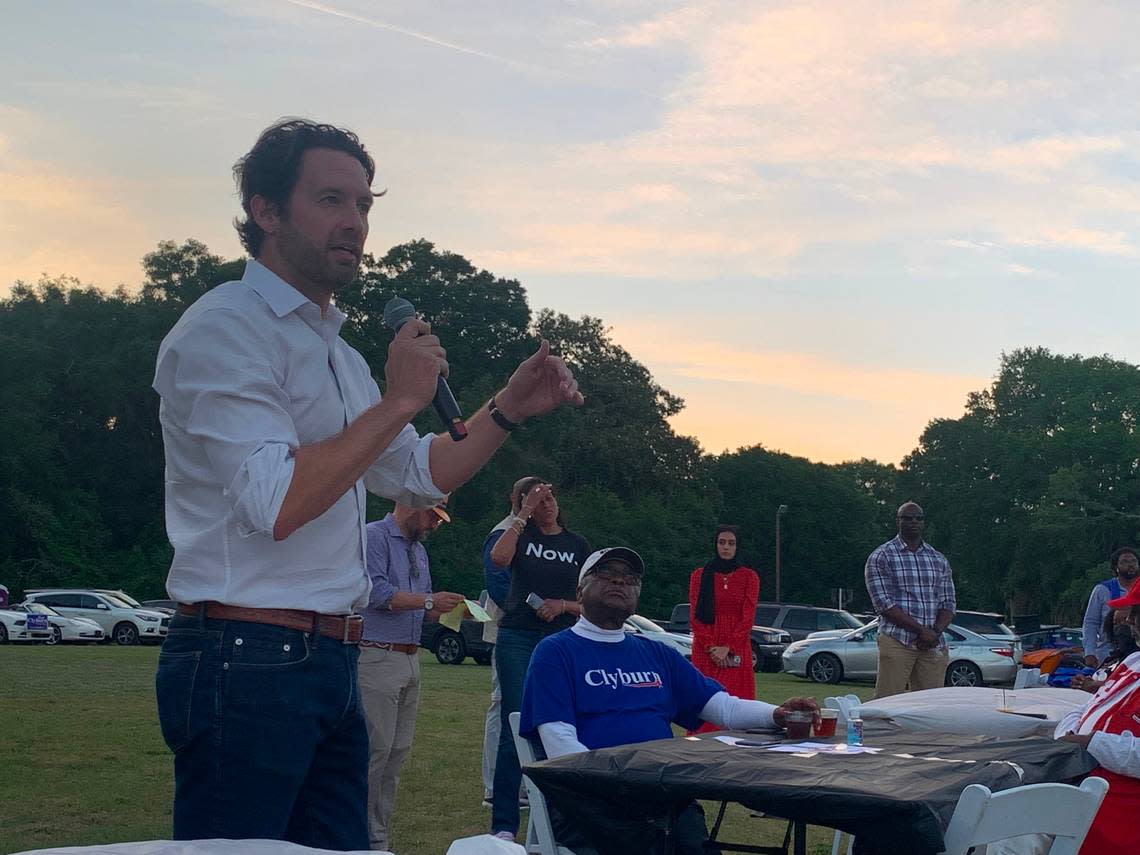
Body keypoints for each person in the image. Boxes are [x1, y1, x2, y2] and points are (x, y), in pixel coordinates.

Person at [151, 118, 582, 850]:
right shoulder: (224, 328)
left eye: (363, 205)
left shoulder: (341, 355)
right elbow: (276, 501)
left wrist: (505, 407)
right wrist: (400, 401)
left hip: (334, 657)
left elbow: (418, 473)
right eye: (329, 199)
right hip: (243, 653)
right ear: (264, 209)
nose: (354, 222)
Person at [520, 547, 821, 855]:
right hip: (594, 804)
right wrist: (619, 787)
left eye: (629, 577)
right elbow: (560, 744)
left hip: (663, 797)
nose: (620, 582)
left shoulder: (656, 653)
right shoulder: (555, 652)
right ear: (579, 591)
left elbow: (723, 706)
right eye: (606, 573)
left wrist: (778, 714)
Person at [358, 498, 464, 851]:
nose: (435, 524)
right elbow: (375, 592)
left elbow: (423, 605)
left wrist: (453, 609)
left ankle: (378, 836)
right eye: (433, 516)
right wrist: (430, 602)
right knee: (375, 750)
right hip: (376, 654)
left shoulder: (419, 552)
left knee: (397, 752)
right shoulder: (374, 536)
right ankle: (358, 834)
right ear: (411, 504)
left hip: (409, 656)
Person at [486, 477, 589, 842]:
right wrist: (523, 513)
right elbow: (499, 560)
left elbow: (589, 602)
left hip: (560, 638)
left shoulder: (576, 545)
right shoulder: (521, 536)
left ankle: (560, 819)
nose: (546, 504)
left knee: (561, 722)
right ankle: (503, 825)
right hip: (518, 636)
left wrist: (563, 605)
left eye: (549, 498)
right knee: (516, 721)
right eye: (536, 499)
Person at [1055, 583, 1140, 854]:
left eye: (1134, 613)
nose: (1128, 620)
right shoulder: (1133, 661)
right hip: (1082, 780)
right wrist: (1069, 736)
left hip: (1120, 808)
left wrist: (1092, 741)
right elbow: (1088, 707)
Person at [864, 501, 956, 698]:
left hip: (932, 643)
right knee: (887, 704)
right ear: (898, 521)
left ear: (924, 522)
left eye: (919, 518)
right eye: (908, 518)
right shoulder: (881, 557)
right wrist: (921, 631)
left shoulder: (938, 559)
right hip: (897, 639)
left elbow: (948, 603)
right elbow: (884, 604)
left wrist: (934, 632)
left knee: (929, 707)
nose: (914, 521)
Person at [480, 476, 534, 808]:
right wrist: (535, 611)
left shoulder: (537, 538)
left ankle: (523, 783)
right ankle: (494, 787)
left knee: (527, 709)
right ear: (514, 499)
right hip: (508, 632)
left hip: (533, 634)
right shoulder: (501, 534)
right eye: (530, 498)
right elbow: (499, 586)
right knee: (503, 706)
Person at [688, 525, 759, 734]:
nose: (726, 547)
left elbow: (748, 617)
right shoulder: (700, 576)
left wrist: (727, 647)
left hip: (736, 646)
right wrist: (712, 646)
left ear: (737, 546)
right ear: (715, 544)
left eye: (731, 543)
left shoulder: (749, 577)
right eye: (722, 542)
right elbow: (695, 616)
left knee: (737, 699)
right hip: (705, 647)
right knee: (705, 698)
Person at [1081, 547, 1139, 668]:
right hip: (1108, 652)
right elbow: (1091, 622)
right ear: (1115, 567)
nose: (1130, 565)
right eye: (1124, 561)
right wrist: (1089, 652)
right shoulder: (1102, 590)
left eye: (1133, 561)